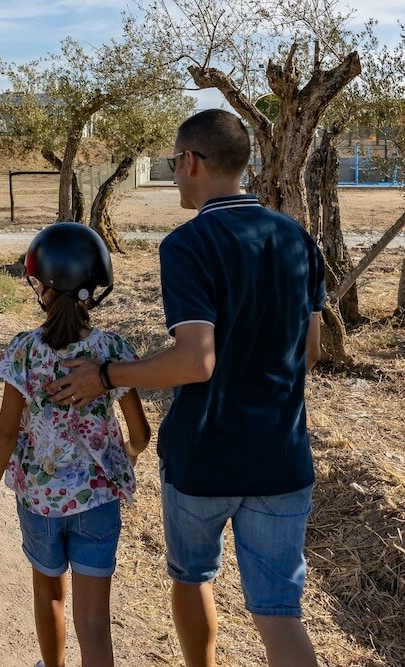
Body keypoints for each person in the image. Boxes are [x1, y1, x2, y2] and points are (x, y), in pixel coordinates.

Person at [46, 110, 325, 667]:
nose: (175, 173)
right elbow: (311, 351)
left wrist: (106, 375)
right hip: (282, 457)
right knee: (279, 615)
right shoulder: (297, 238)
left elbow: (196, 361)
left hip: (203, 457)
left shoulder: (188, 245)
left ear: (191, 162)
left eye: (174, 162)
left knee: (193, 577)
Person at [0, 223, 151, 667]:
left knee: (49, 593)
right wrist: (125, 458)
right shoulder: (113, 352)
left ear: (43, 287)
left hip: (39, 504)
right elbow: (141, 435)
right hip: (97, 504)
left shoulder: (25, 352)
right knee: (94, 621)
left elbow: (4, 433)